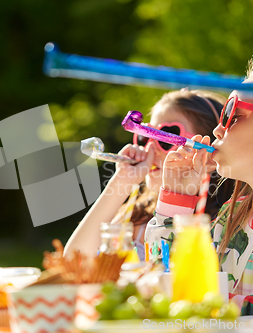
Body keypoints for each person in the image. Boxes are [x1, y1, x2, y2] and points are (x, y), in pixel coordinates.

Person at [145, 60, 253, 315]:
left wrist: (209, 301)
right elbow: (166, 281)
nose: (218, 128)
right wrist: (177, 198)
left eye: (234, 115)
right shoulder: (231, 218)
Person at [65, 89, 235, 259]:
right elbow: (75, 261)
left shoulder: (220, 228)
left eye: (166, 139)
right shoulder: (136, 218)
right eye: (145, 137)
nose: (150, 149)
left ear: (208, 153)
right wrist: (122, 181)